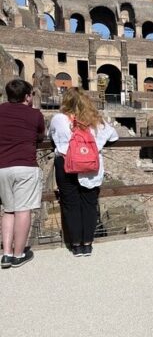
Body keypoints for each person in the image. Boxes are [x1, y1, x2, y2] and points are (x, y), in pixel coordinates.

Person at [49, 88, 118, 257]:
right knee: (89, 205)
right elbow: (114, 136)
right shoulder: (95, 119)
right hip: (90, 165)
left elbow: (50, 136)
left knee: (70, 205)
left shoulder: (59, 118)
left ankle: (76, 245)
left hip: (66, 164)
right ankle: (87, 244)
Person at [0, 79, 44, 268]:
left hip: (2, 167)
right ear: (28, 96)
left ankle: (6, 254)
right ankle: (18, 254)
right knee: (23, 209)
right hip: (25, 166)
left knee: (8, 210)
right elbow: (41, 136)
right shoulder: (35, 114)